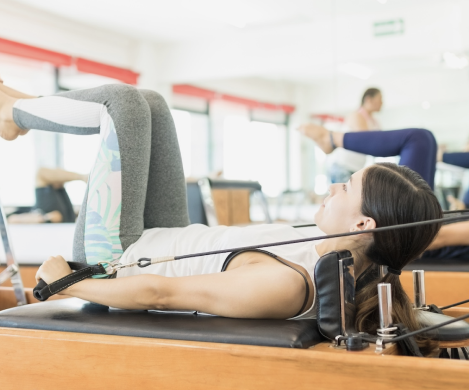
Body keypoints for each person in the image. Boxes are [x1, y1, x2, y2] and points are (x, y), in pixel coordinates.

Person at [0, 82, 443, 356]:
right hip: (169, 233)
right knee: (153, 103)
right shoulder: (339, 247)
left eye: (346, 187)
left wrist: (65, 282)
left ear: (363, 225)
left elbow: (162, 293)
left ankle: (11, 113)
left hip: (120, 257)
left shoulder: (286, 284)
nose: (333, 186)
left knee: (124, 105)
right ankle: (17, 106)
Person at [300, 123, 469, 209]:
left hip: (411, 232)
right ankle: (331, 139)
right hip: (456, 219)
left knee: (419, 138)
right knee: (426, 139)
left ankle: (331, 138)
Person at [328, 88, 383, 184]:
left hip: (355, 169)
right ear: (368, 99)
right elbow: (368, 141)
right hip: (343, 168)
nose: (382, 102)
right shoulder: (356, 116)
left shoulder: (374, 122)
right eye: (380, 99)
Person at [7, 167, 87, 224]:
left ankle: (85, 178)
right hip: (49, 215)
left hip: (58, 218)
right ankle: (85, 177)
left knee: (56, 183)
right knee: (41, 173)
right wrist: (45, 218)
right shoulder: (5, 218)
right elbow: (11, 219)